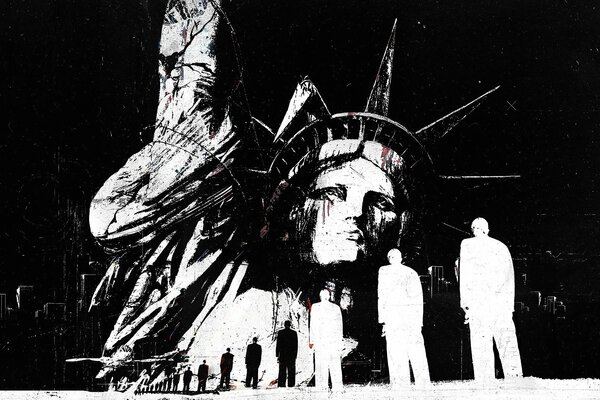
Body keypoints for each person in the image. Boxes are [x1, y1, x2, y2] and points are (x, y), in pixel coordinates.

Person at [459, 217, 523, 381]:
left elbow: (464, 275)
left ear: (473, 229)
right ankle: (515, 378)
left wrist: (466, 304)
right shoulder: (501, 246)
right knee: (507, 343)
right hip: (500, 303)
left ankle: (485, 382)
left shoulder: (467, 245)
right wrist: (509, 306)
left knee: (481, 346)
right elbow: (510, 278)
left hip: (479, 303)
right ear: (487, 229)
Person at [378, 249, 430, 387]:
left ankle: (406, 384)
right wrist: (384, 321)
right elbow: (382, 296)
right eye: (391, 256)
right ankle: (417, 384)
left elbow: (416, 298)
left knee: (401, 350)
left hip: (403, 316)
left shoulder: (391, 272)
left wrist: (384, 320)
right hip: (402, 316)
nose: (393, 258)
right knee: (405, 350)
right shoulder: (407, 272)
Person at [309, 289, 344, 391]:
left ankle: (326, 386)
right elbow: (313, 325)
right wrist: (312, 341)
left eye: (325, 294)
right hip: (327, 341)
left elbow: (313, 325)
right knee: (329, 365)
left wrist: (312, 341)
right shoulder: (334, 307)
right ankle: (333, 387)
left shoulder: (317, 307)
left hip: (325, 341)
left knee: (325, 365)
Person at [275, 320, 298, 387]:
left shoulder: (280, 332)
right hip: (291, 356)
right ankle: (291, 384)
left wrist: (277, 354)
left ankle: (281, 384)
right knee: (291, 371)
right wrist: (295, 355)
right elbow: (296, 346)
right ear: (290, 325)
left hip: (283, 355)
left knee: (282, 371)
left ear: (284, 325)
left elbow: (278, 344)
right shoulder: (294, 333)